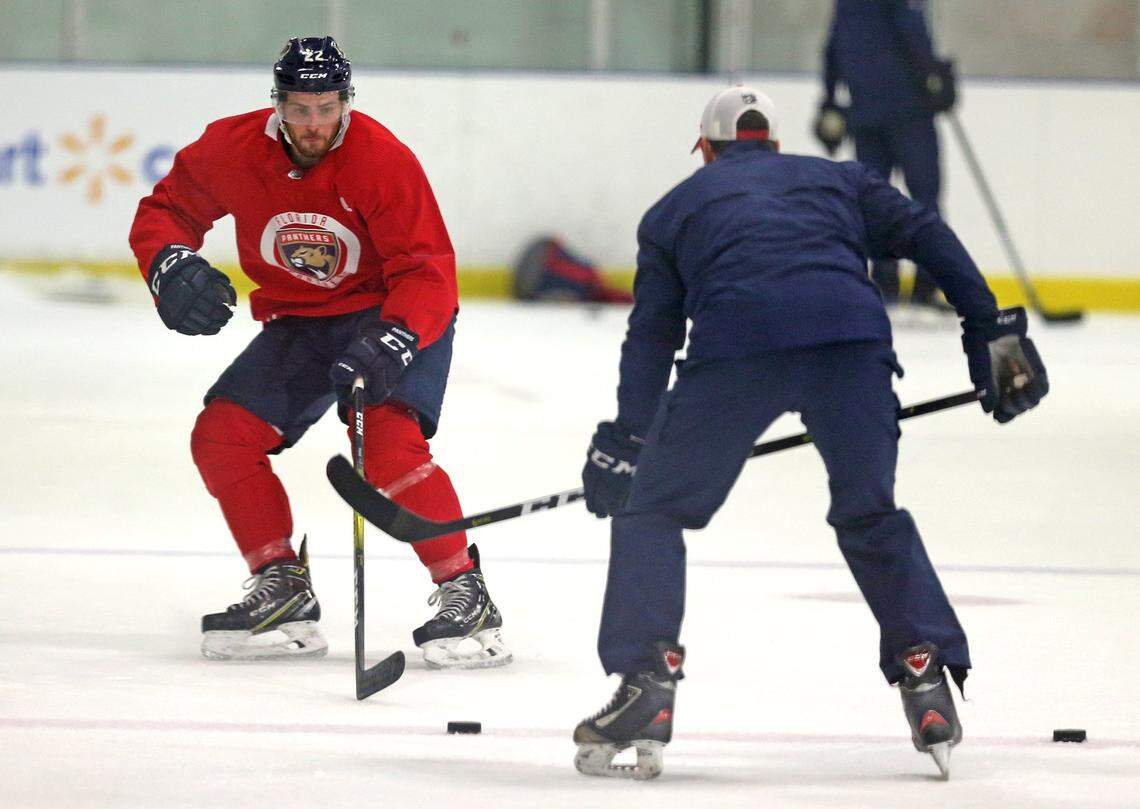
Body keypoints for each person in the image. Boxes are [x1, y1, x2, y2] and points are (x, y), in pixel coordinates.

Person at [573, 86, 1048, 780]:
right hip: (849, 345)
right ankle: (922, 665)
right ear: (772, 142)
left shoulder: (673, 210)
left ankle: (647, 678)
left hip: (735, 351)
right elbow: (927, 234)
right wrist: (989, 326)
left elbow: (651, 337)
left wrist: (628, 440)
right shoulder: (841, 180)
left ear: (706, 150)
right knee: (870, 511)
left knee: (653, 510)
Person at [128, 36, 510, 670]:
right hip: (302, 319)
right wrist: (166, 261)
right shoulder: (232, 148)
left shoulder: (383, 160)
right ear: (277, 104)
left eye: (326, 107)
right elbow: (165, 210)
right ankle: (282, 588)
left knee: (387, 451)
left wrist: (393, 338)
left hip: (395, 313)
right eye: (300, 108)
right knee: (222, 436)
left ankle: (463, 590)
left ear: (346, 103)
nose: (312, 124)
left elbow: (428, 270)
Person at [814, 0, 957, 308]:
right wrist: (933, 76)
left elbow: (834, 45)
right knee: (925, 196)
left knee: (873, 200)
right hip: (908, 110)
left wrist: (828, 97)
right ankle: (925, 284)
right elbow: (912, 32)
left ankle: (884, 282)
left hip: (865, 110)